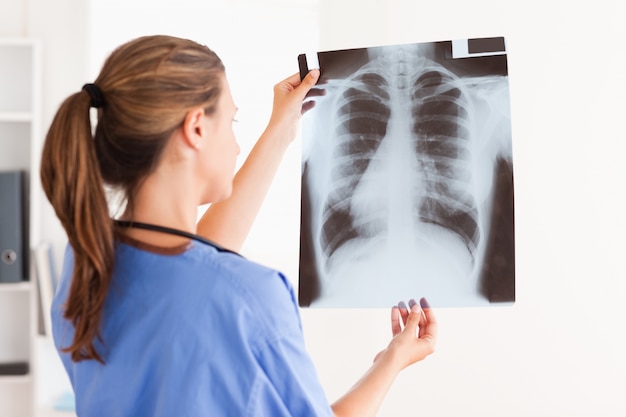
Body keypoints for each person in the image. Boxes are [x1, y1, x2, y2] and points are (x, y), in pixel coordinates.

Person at [40, 34, 437, 417]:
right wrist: (391, 361)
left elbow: (193, 266)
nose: (235, 144)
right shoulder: (248, 297)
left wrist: (280, 129)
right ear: (196, 127)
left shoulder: (86, 261)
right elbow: (208, 280)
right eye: (232, 121)